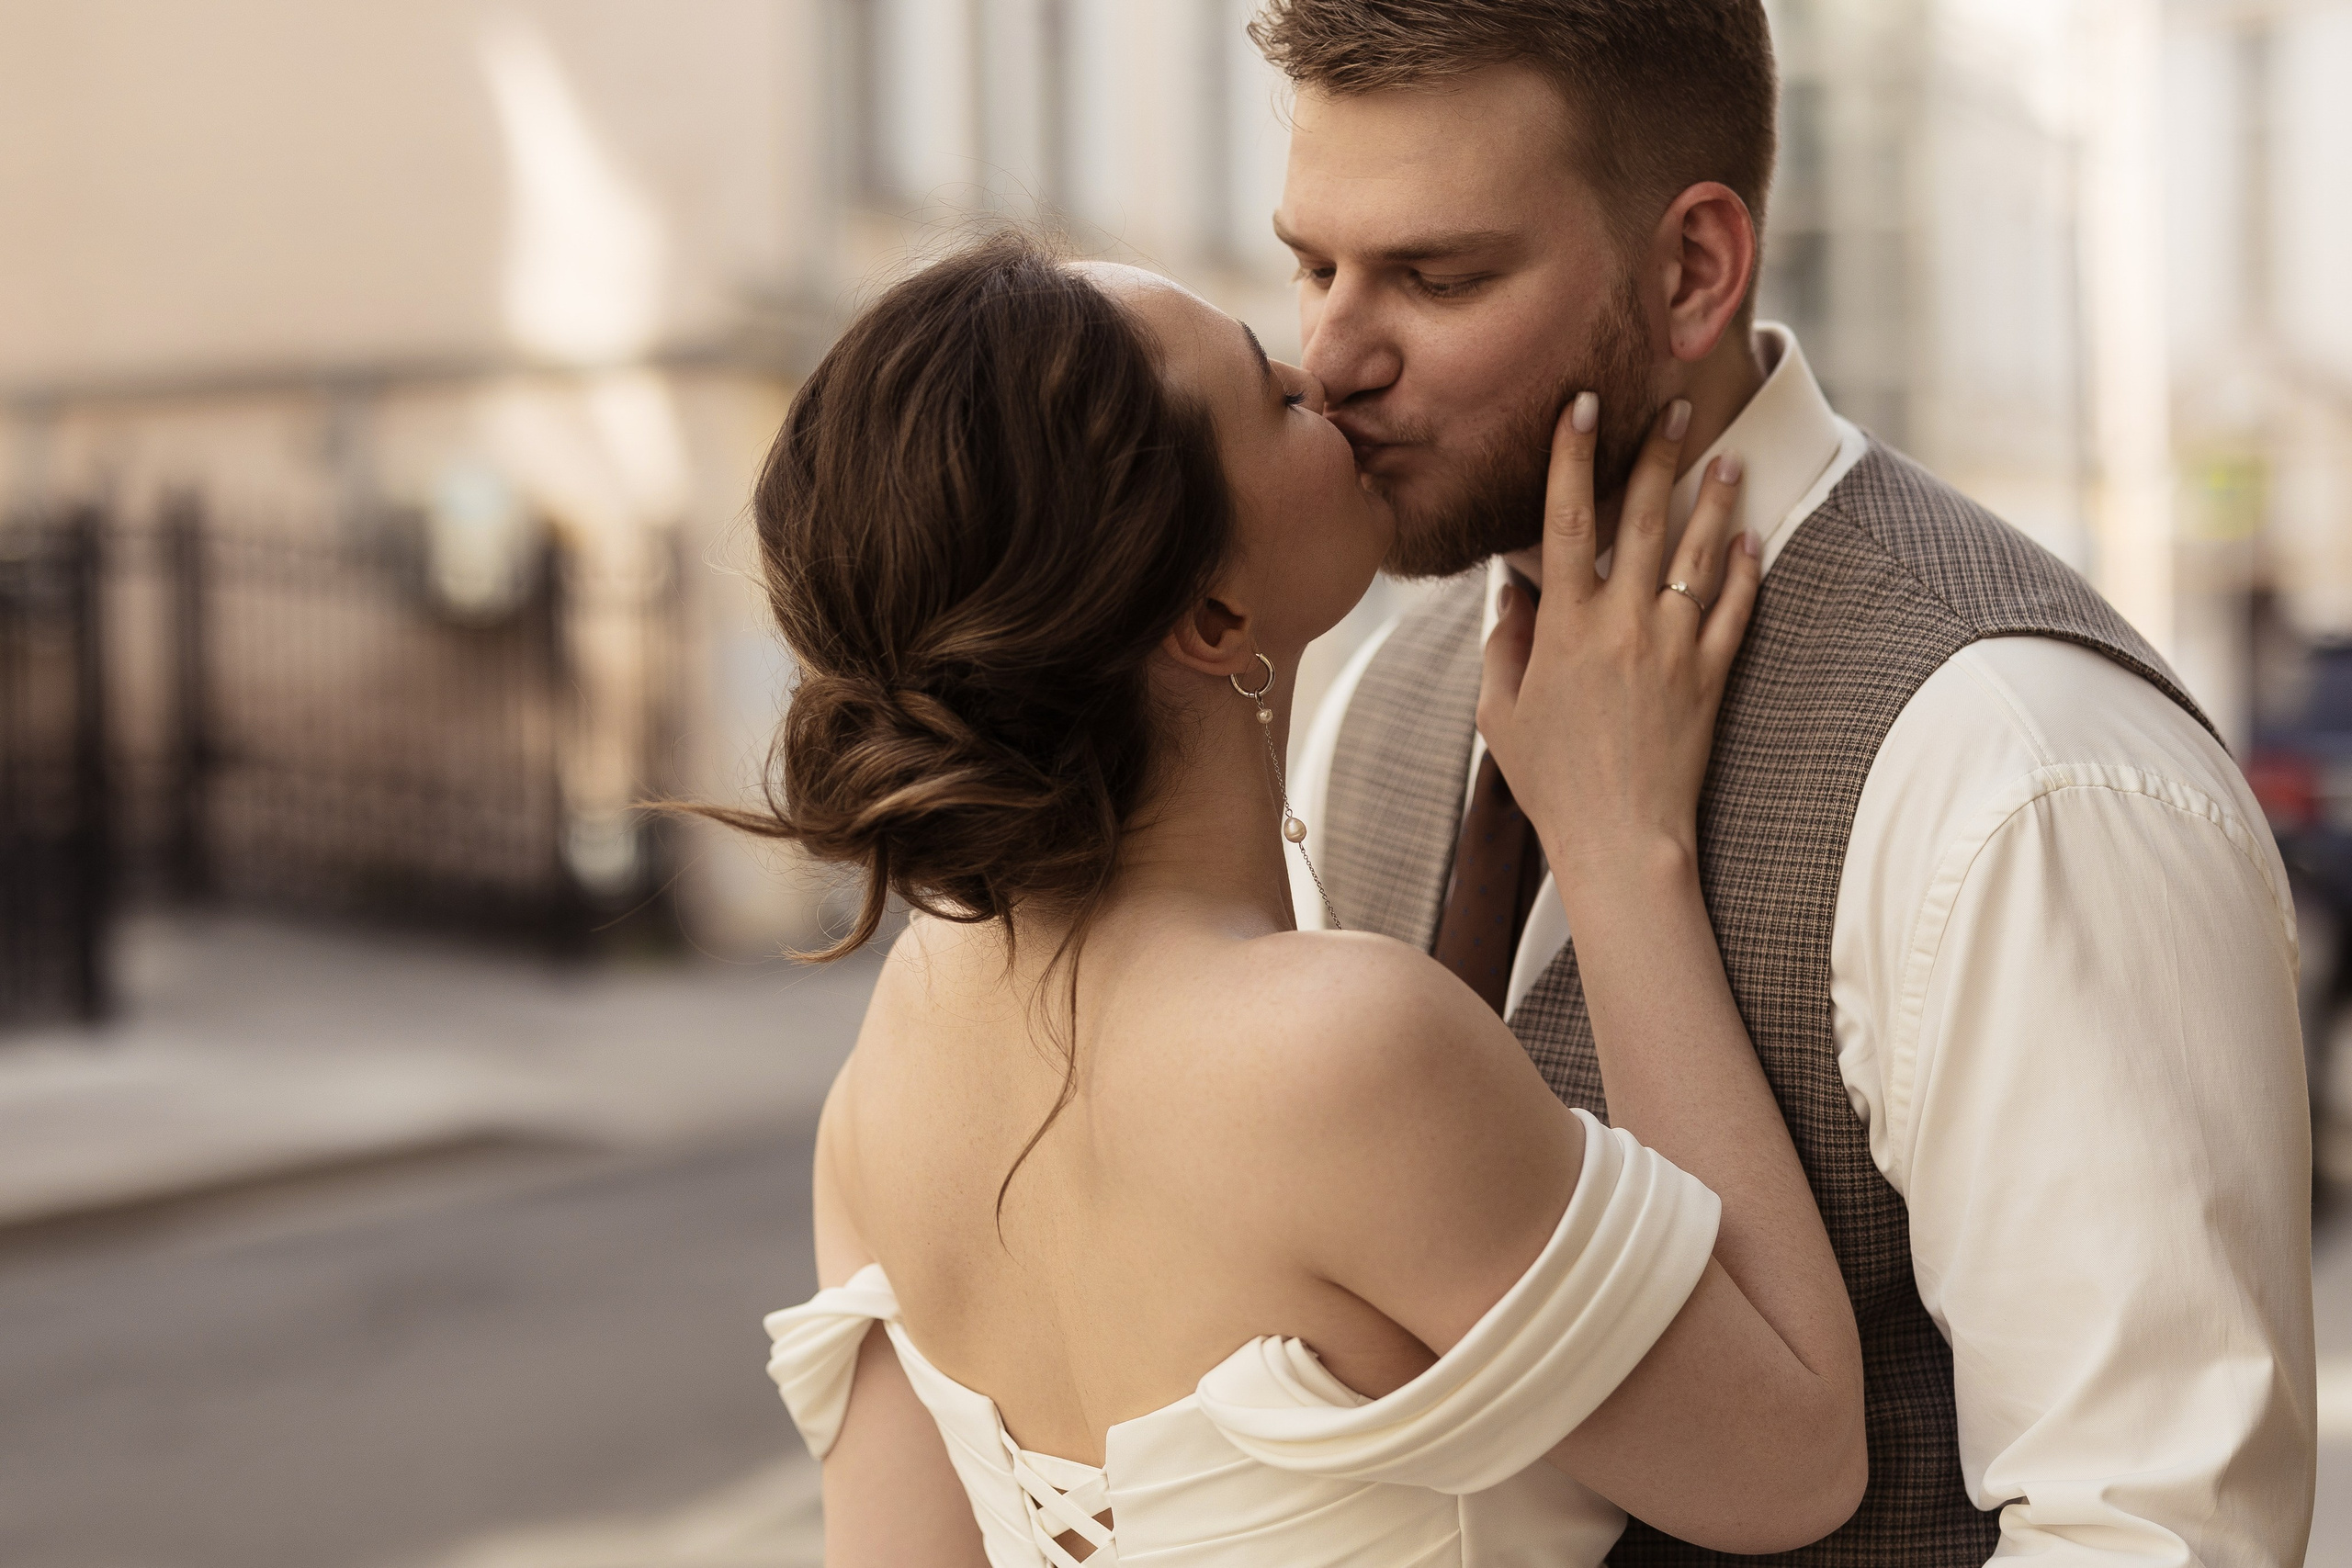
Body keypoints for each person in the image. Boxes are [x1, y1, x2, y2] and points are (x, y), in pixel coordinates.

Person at [1260, 1, 2318, 1562]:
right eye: (1313, 264)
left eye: (1438, 275)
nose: (1333, 356)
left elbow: (2152, 1529)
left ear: (1694, 269)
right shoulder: (1370, 700)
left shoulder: (2015, 752)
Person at [735, 232, 1867, 1565]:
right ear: (1213, 621)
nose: (1323, 370)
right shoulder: (1345, 1051)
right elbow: (1791, 1459)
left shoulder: (895, 1054)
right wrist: (1621, 851)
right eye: (1270, 396)